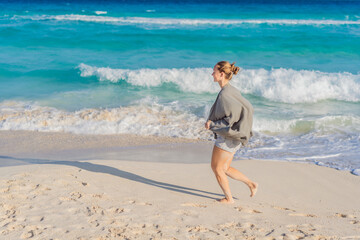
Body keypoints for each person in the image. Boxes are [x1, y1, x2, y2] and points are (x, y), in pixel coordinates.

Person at [205, 61, 258, 204]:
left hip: (229, 135)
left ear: (221, 74)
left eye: (214, 71)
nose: (212, 74)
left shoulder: (225, 95)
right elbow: (247, 108)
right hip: (237, 134)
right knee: (225, 167)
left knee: (216, 168)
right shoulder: (232, 90)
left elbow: (229, 119)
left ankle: (229, 198)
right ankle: (251, 184)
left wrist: (212, 124)